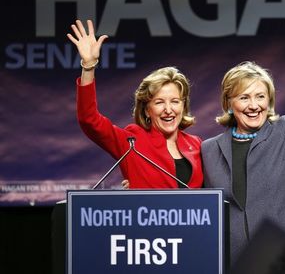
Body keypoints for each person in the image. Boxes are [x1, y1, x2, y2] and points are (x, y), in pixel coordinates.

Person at [201, 18, 285, 264]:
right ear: (229, 104)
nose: (254, 105)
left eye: (260, 96)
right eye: (244, 97)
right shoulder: (209, 149)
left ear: (269, 100)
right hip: (234, 260)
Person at [67, 20, 203, 189]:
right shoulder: (132, 142)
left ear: (183, 106)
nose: (168, 110)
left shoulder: (197, 144)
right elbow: (89, 120)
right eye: (159, 102)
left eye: (175, 101)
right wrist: (88, 67)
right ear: (147, 110)